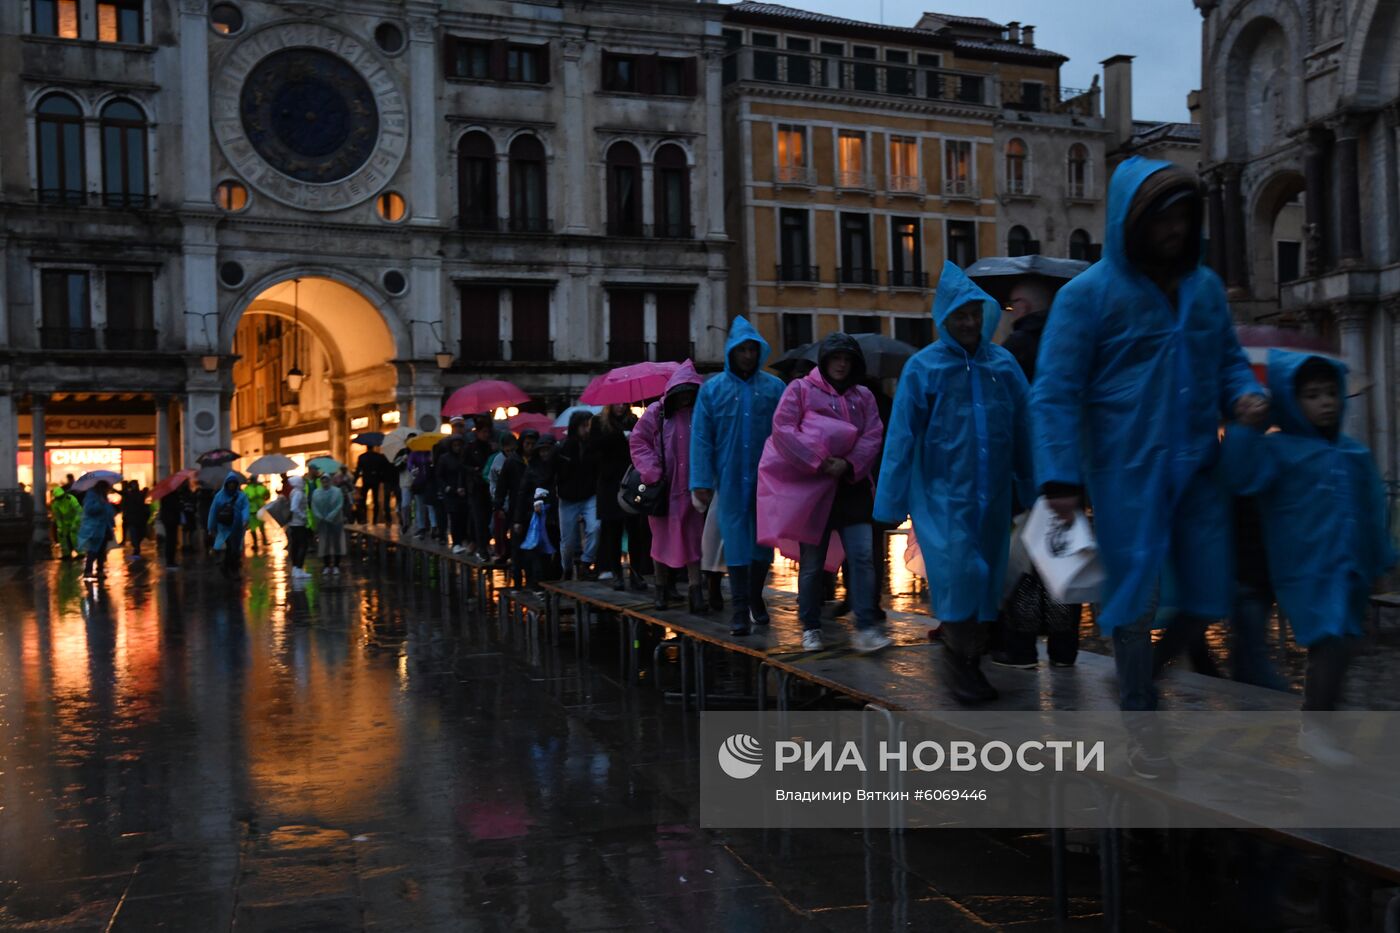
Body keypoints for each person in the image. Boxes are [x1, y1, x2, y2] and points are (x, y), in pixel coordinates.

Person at [1031, 156, 1268, 778]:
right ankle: (1141, 717)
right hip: (1125, 473)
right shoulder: (1086, 297)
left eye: (1184, 215)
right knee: (1135, 602)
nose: (1175, 228)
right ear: (1132, 221)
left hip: (1198, 468)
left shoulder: (1204, 289)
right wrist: (1060, 477)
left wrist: (1244, 395)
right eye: (1163, 217)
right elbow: (1054, 391)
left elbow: (1227, 361)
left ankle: (1151, 674)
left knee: (1211, 588)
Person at [1222, 352, 1395, 765]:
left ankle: (1324, 718)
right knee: (1329, 636)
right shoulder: (1278, 450)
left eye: (1331, 393)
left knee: (1343, 642)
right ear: (1291, 400)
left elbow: (1372, 510)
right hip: (1307, 567)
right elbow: (1240, 476)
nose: (1326, 402)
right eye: (1313, 395)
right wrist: (1247, 428)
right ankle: (1316, 726)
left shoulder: (1353, 453)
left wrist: (1380, 559)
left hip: (1350, 567)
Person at [876, 262, 1033, 702]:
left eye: (973, 314)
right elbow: (901, 438)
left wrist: (1035, 485)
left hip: (993, 497)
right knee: (961, 573)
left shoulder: (1002, 365)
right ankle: (959, 664)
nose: (968, 323)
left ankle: (970, 662)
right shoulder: (923, 369)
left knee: (988, 580)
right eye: (959, 315)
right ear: (944, 317)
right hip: (941, 498)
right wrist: (889, 503)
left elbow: (1024, 428)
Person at [761, 333, 889, 653]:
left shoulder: (864, 396)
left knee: (862, 556)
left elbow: (873, 434)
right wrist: (818, 461)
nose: (842, 364)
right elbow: (783, 429)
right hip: (813, 489)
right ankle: (810, 626)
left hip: (852, 488)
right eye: (836, 358)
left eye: (847, 359)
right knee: (813, 563)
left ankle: (865, 625)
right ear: (825, 360)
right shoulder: (800, 389)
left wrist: (849, 464)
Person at [991, 274, 1081, 670]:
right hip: (1070, 472)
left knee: (1026, 568)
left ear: (1024, 307)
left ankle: (1022, 649)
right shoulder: (1070, 343)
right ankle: (1064, 650)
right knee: (1061, 563)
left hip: (1028, 473)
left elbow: (1001, 412)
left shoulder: (1016, 348)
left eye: (1012, 304)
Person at [691, 316, 786, 635]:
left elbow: (786, 432)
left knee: (763, 544)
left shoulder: (774, 388)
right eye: (742, 349)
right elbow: (701, 438)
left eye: (752, 349)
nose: (747, 355)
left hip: (767, 479)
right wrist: (701, 481)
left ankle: (755, 595)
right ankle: (740, 609)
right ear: (732, 351)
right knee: (734, 542)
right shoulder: (712, 390)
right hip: (729, 479)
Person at [630, 363, 707, 612]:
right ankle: (661, 589)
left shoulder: (701, 413)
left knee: (694, 539)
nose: (685, 397)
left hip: (693, 487)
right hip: (663, 488)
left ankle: (696, 591)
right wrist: (651, 471)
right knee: (661, 540)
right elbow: (639, 441)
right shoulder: (657, 412)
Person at [592, 403, 652, 593]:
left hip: (630, 481)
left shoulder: (633, 421)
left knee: (634, 529)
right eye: (617, 403)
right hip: (609, 483)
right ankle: (616, 573)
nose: (620, 406)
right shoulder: (599, 423)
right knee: (613, 530)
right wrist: (619, 436)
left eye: (624, 403)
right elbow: (595, 449)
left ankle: (636, 573)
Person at [556, 410, 600, 579]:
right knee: (567, 541)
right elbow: (554, 471)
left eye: (589, 425)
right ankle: (567, 568)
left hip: (589, 494)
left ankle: (586, 562)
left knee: (595, 527)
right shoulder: (563, 447)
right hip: (568, 498)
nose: (587, 429)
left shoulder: (593, 446)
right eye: (584, 426)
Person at [513, 436, 560, 590]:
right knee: (539, 553)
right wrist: (518, 519)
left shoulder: (559, 466)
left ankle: (554, 583)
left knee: (557, 550)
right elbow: (522, 493)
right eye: (542, 450)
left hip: (557, 515)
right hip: (537, 517)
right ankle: (538, 584)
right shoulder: (532, 468)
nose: (545, 453)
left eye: (548, 450)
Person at [496, 429, 537, 588]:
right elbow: (502, 485)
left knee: (533, 546)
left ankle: (532, 580)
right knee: (517, 546)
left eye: (533, 444)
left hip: (534, 508)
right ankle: (518, 581)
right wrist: (499, 505)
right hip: (516, 508)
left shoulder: (538, 460)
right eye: (527, 443)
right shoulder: (512, 461)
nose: (530, 447)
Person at [208, 473, 250, 578]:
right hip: (224, 527)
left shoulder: (241, 496)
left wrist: (245, 519)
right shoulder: (219, 496)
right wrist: (211, 527)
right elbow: (213, 512)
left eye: (233, 483)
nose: (231, 485)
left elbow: (245, 508)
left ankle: (227, 567)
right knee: (231, 548)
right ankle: (233, 569)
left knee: (234, 549)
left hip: (237, 526)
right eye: (230, 483)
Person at [435, 436, 473, 554]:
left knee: (465, 517)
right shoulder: (444, 458)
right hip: (451, 493)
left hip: (465, 492)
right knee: (455, 517)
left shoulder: (464, 457)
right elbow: (439, 476)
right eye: (455, 445)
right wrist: (447, 488)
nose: (457, 448)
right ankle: (457, 542)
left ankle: (465, 540)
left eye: (459, 445)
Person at [78, 480, 116, 581]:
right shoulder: (92, 496)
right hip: (95, 528)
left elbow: (108, 511)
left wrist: (111, 521)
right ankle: (88, 571)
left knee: (102, 550)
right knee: (94, 550)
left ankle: (100, 570)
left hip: (104, 527)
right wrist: (101, 504)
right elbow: (89, 509)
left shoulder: (103, 497)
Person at [312, 475, 348, 574]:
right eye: (323, 481)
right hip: (323, 522)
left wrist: (331, 515)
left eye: (327, 480)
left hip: (336, 521)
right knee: (324, 544)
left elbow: (339, 504)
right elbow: (314, 506)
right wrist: (319, 516)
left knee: (337, 543)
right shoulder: (316, 492)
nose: (325, 483)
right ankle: (326, 565)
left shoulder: (337, 491)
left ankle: (336, 565)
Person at [355, 445, 393, 525]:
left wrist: (355, 480)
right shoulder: (378, 457)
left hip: (366, 479)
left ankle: (365, 518)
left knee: (363, 499)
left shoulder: (362, 457)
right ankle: (374, 520)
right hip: (376, 480)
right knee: (375, 499)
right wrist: (382, 478)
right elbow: (383, 468)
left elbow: (358, 470)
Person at [286, 475, 312, 578]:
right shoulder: (298, 493)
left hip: (294, 524)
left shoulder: (294, 492)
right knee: (302, 546)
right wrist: (303, 516)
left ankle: (296, 569)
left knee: (296, 546)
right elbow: (294, 508)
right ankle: (299, 568)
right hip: (299, 524)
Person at [157, 480, 187, 569]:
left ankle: (170, 561)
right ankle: (170, 562)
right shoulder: (172, 495)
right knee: (171, 540)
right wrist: (181, 505)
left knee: (170, 540)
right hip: (172, 519)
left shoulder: (164, 495)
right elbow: (176, 506)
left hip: (168, 519)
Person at [49, 485, 81, 559]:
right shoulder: (55, 504)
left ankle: (80, 553)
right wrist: (60, 527)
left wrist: (75, 522)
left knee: (74, 536)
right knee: (62, 537)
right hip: (64, 523)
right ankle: (66, 554)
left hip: (74, 520)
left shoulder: (71, 499)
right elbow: (58, 517)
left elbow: (78, 511)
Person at [120, 480, 148, 560]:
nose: (134, 486)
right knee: (134, 534)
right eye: (133, 485)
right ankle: (136, 548)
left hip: (139, 518)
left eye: (135, 484)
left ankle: (136, 547)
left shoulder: (139, 494)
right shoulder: (129, 494)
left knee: (139, 534)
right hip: (132, 518)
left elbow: (143, 504)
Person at [244, 475, 270, 552]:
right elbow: (267, 495)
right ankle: (257, 543)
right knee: (255, 528)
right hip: (254, 511)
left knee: (260, 527)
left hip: (258, 510)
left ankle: (262, 541)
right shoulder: (248, 489)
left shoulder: (257, 488)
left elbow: (267, 495)